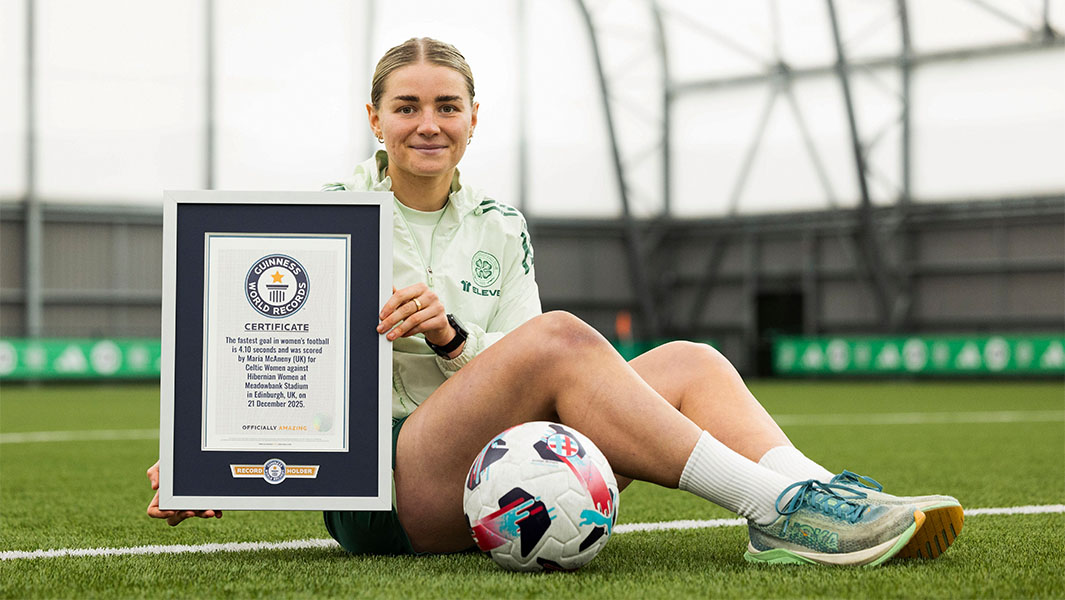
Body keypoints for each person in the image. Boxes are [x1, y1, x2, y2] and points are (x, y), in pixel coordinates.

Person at [147, 37, 963, 566]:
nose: (426, 123)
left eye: (446, 106)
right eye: (406, 107)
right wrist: (204, 455)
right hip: (389, 488)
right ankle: (776, 505)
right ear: (375, 120)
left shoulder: (501, 226)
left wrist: (452, 337)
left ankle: (821, 502)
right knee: (564, 339)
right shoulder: (323, 220)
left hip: (494, 454)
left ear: (472, 119)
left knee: (691, 360)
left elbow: (529, 356)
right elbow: (263, 351)